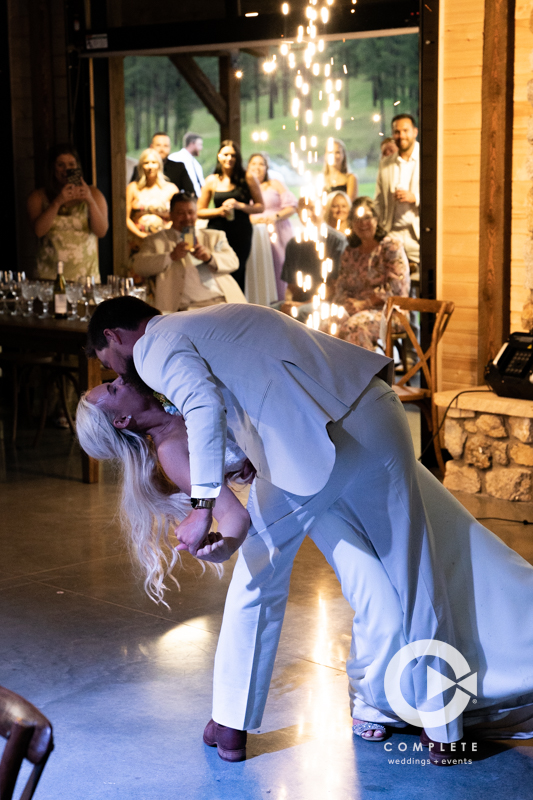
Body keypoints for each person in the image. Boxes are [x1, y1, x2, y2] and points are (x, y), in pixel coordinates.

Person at [83, 297, 533, 766]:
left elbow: (202, 403)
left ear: (114, 336)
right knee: (414, 571)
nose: (117, 373)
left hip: (306, 447)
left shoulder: (153, 344)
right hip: (373, 412)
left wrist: (202, 508)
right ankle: (443, 727)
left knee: (258, 580)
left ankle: (231, 722)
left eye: (107, 366)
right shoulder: (210, 319)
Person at [131, 191, 246, 312]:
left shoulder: (214, 236)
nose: (187, 218)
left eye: (190, 212)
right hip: (187, 309)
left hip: (224, 301)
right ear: (171, 215)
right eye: (181, 213)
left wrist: (210, 258)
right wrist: (171, 256)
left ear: (196, 214)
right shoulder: (156, 240)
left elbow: (234, 262)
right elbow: (139, 266)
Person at [329, 196, 410, 350]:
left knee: (354, 327)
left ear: (376, 219)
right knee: (327, 323)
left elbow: (395, 288)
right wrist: (347, 304)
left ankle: (363, 367)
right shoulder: (350, 252)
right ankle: (330, 366)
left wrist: (364, 304)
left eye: (367, 217)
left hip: (388, 312)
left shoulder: (391, 247)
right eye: (357, 219)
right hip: (354, 310)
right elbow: (341, 286)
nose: (362, 223)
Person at [27, 144, 108, 281]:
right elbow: (39, 232)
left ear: (77, 167)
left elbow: (101, 232)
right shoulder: (38, 197)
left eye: (71, 164)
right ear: (52, 168)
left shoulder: (93, 193)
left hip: (85, 277)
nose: (67, 169)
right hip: (49, 276)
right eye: (61, 165)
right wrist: (58, 202)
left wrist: (90, 201)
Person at [197, 141, 264, 292]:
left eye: (233, 155)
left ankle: (237, 302)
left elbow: (261, 206)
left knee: (237, 271)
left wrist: (240, 205)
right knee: (217, 271)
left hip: (241, 232)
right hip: (217, 232)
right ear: (219, 156)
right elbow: (199, 211)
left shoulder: (247, 178)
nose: (229, 158)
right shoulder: (212, 180)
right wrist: (219, 211)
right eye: (226, 154)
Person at [247, 153, 297, 301]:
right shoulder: (246, 188)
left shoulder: (275, 184)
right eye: (253, 163)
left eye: (261, 164)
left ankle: (283, 302)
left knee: (280, 268)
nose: (257, 167)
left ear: (266, 167)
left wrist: (276, 216)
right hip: (256, 235)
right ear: (248, 166)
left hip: (278, 232)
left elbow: (292, 207)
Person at [375, 114, 420, 276]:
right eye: (397, 132)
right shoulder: (386, 163)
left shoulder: (428, 157)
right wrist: (379, 230)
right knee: (390, 278)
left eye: (405, 131)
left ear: (415, 132)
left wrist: (415, 198)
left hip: (418, 234)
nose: (401, 136)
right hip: (392, 233)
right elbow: (378, 201)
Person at [126, 148, 178, 253]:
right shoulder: (133, 188)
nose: (150, 166)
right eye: (146, 163)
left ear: (159, 165)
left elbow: (178, 216)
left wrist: (164, 232)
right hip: (137, 242)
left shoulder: (171, 189)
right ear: (141, 166)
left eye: (154, 162)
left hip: (164, 241)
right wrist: (140, 235)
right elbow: (125, 218)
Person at [130, 132, 195, 196]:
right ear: (151, 147)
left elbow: (191, 194)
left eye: (165, 146)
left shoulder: (178, 168)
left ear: (170, 147)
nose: (162, 149)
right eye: (158, 145)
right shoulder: (141, 169)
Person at [168, 132, 205, 197]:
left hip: (197, 199)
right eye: (199, 145)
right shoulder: (175, 158)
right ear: (191, 144)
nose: (201, 148)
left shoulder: (196, 164)